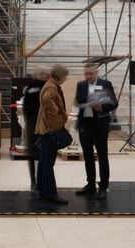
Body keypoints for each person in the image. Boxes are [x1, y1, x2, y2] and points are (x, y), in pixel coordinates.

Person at [75, 64, 117, 199]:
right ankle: (90, 184)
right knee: (88, 157)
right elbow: (78, 100)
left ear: (96, 73)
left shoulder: (106, 84)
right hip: (85, 125)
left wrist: (102, 107)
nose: (88, 76)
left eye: (90, 74)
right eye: (86, 74)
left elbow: (114, 103)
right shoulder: (81, 85)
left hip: (100, 125)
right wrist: (86, 101)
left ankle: (103, 186)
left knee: (102, 157)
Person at [36, 65, 69, 204]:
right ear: (59, 76)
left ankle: (43, 190)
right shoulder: (51, 87)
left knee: (44, 161)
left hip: (46, 129)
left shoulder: (50, 84)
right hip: (50, 129)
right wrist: (55, 110)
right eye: (65, 77)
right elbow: (47, 99)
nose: (65, 79)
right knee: (48, 162)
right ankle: (51, 194)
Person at [22, 68, 49, 196]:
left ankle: (43, 180)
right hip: (33, 123)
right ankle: (33, 181)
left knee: (44, 153)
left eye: (45, 73)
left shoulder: (49, 86)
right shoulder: (30, 87)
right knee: (32, 154)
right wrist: (29, 120)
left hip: (45, 124)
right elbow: (25, 105)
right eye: (42, 73)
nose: (45, 75)